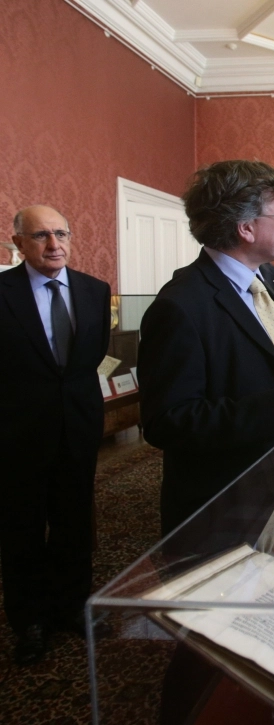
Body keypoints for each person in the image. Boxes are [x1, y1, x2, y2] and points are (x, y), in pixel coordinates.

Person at [139, 160, 274, 536]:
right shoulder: (180, 306)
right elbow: (166, 422)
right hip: (222, 508)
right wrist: (271, 411)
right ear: (246, 228)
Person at [0, 205, 111, 664]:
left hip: (79, 427)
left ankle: (72, 608)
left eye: (61, 233)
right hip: (18, 432)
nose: (54, 244)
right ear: (19, 242)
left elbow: (89, 360)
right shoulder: (3, 291)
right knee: (22, 527)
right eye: (41, 235)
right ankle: (30, 621)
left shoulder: (93, 291)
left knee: (74, 520)